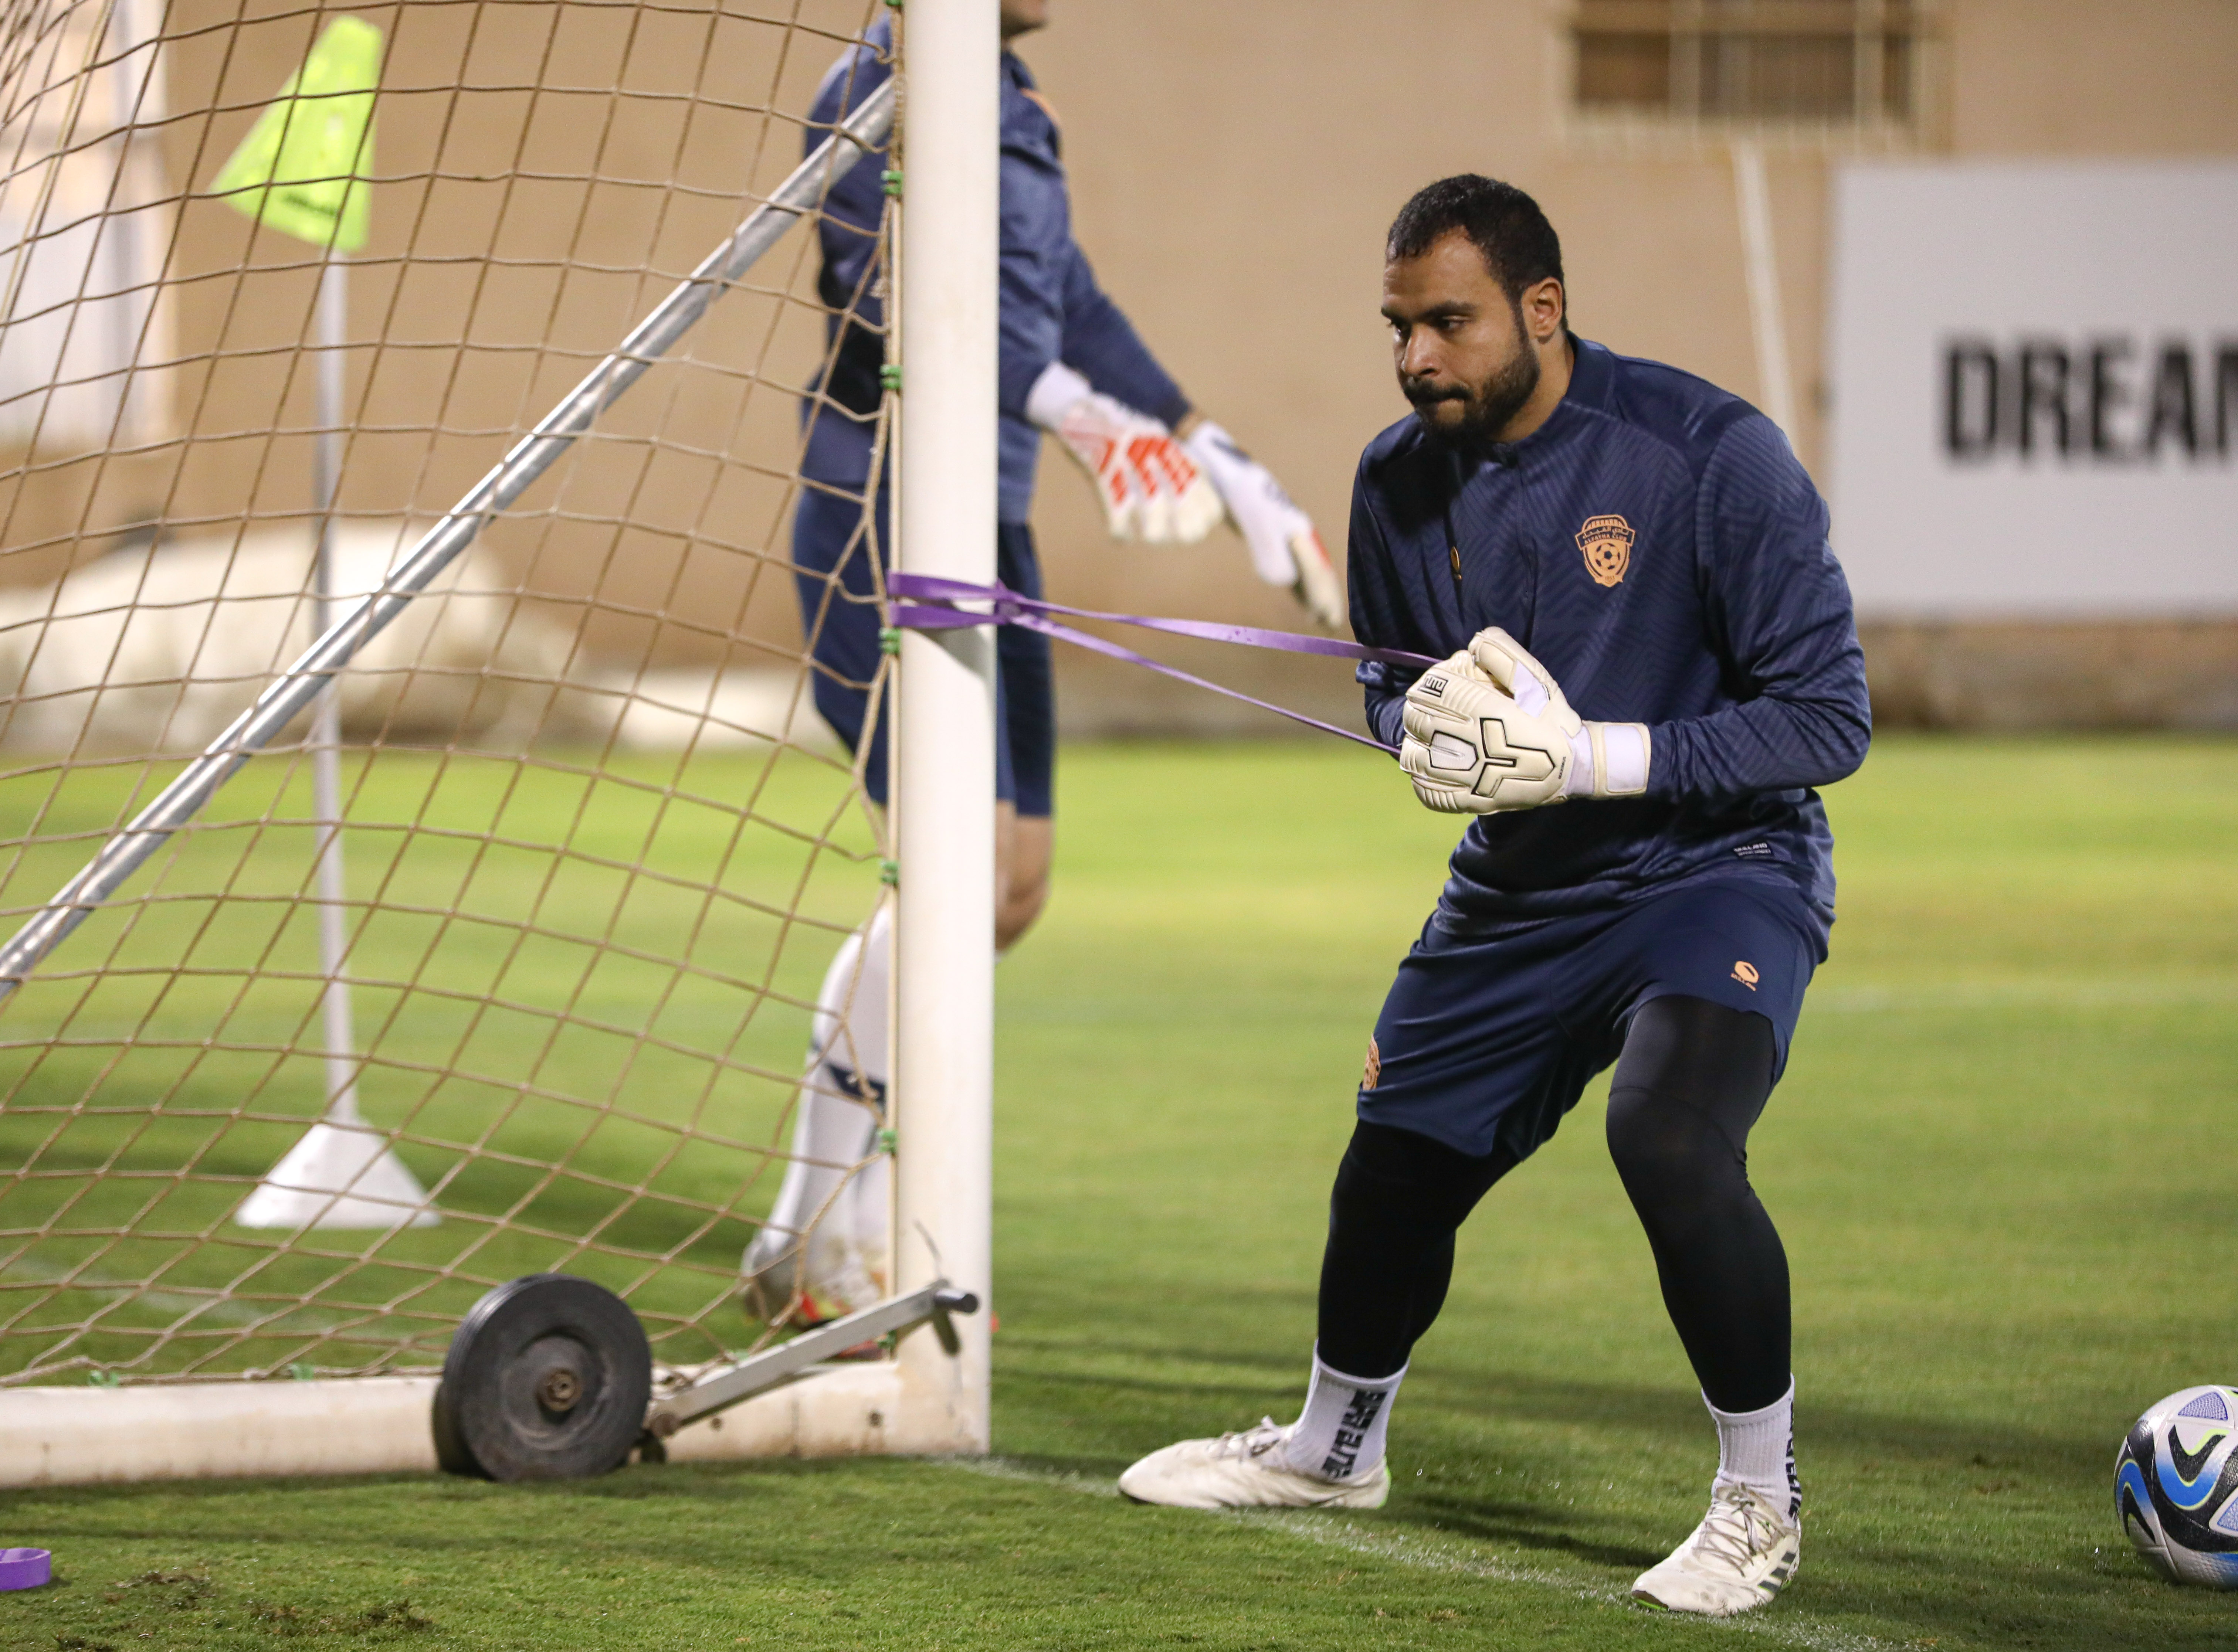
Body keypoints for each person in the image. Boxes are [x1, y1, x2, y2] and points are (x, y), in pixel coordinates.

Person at [1115, 174, 1871, 1620]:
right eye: (1396, 326)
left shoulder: (1706, 453)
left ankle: (1757, 1500)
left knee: (1664, 1130)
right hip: (1519, 891)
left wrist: (1591, 751)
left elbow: (1826, 718)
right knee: (1393, 1155)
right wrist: (1429, 734)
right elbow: (1394, 690)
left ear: (1541, 308)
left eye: (1447, 322)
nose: (1415, 356)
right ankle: (1333, 1450)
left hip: (1717, 863)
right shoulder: (1396, 477)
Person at [742, 0, 1341, 1325]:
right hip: (884, 513)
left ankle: (802, 1231)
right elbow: (896, 299)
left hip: (986, 528)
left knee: (1008, 884)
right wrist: (1083, 417)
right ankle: (833, 1242)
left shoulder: (1017, 105)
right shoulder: (872, 93)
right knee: (946, 876)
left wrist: (1217, 455)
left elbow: (1065, 299)